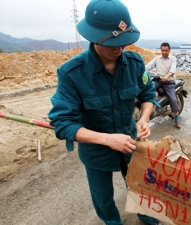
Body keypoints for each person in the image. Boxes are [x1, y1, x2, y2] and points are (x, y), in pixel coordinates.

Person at [48, 0, 161, 225]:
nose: (119, 50)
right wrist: (107, 139)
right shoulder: (72, 73)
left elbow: (148, 95)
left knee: (140, 184)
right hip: (96, 149)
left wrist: (144, 120)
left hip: (131, 140)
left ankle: (148, 217)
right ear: (93, 37)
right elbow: (62, 123)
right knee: (103, 197)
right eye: (112, 44)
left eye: (123, 44)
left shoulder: (135, 63)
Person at [145, 42, 181, 128]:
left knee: (172, 98)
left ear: (169, 50)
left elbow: (172, 71)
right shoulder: (157, 58)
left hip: (169, 81)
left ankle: (176, 118)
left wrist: (166, 76)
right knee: (148, 88)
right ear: (160, 50)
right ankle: (151, 107)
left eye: (166, 50)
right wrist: (139, 69)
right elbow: (148, 67)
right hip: (159, 80)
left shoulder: (173, 59)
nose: (164, 52)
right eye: (163, 50)